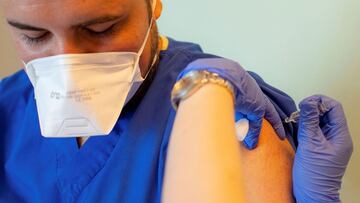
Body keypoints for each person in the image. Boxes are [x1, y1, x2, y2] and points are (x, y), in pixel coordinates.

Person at [0, 0, 353, 202]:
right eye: (34, 37)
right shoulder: (7, 108)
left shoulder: (227, 103)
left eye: (100, 30)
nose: (69, 65)